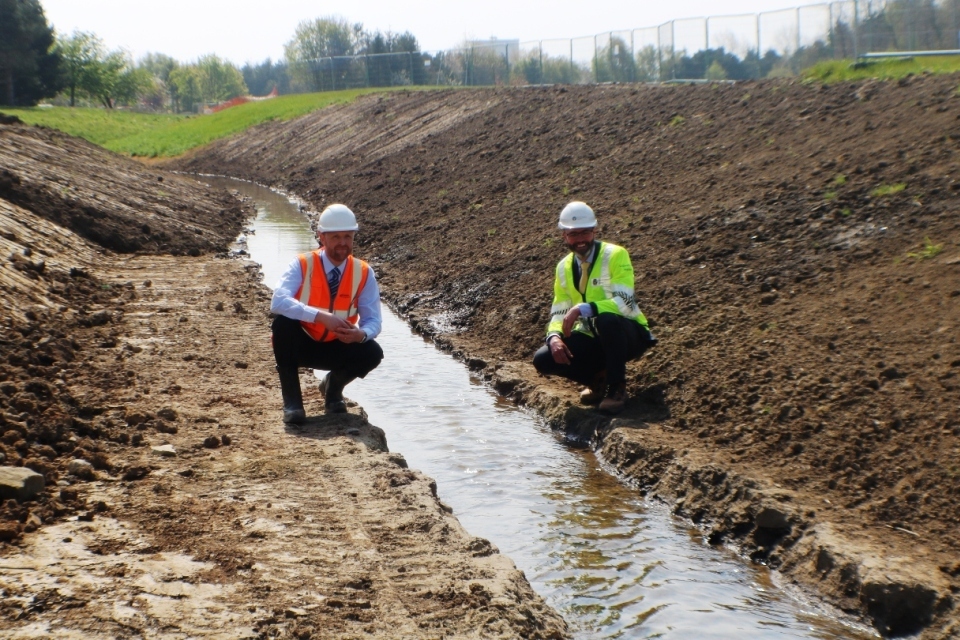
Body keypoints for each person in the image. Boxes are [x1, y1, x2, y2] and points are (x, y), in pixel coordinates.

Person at [532, 201, 656, 415]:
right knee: (543, 359)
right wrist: (553, 336)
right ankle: (597, 379)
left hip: (627, 334)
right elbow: (559, 310)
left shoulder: (615, 255)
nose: (580, 239)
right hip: (593, 336)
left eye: (585, 233)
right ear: (564, 236)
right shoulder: (563, 267)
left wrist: (585, 308)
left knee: (606, 319)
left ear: (594, 231)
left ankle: (616, 388)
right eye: (573, 234)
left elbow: (625, 303)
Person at [270, 204, 383, 422]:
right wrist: (320, 317)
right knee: (283, 325)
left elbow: (374, 320)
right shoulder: (302, 264)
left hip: (338, 346)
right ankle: (293, 404)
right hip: (302, 343)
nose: (343, 243)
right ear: (321, 237)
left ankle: (333, 390)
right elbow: (278, 301)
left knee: (372, 352)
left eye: (348, 237)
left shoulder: (363, 272)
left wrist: (361, 334)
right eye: (336, 237)